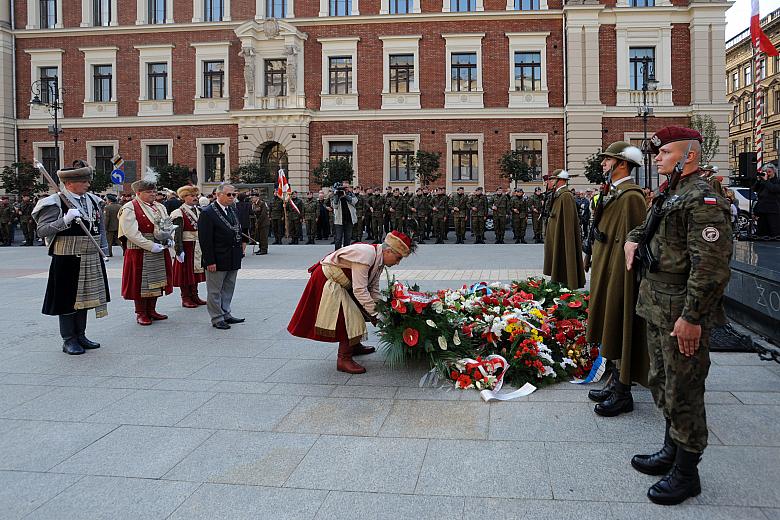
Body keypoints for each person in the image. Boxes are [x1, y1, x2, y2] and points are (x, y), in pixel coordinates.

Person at [625, 126, 732, 505]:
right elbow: (649, 227)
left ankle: (687, 473)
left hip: (680, 309)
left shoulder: (702, 198)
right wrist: (633, 237)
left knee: (685, 389)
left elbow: (710, 268)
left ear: (688, 155)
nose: (657, 158)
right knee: (661, 380)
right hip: (657, 303)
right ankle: (670, 450)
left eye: (664, 152)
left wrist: (693, 317)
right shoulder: (672, 193)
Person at [288, 230, 415, 374]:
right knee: (349, 316)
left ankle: (354, 345)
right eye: (398, 258)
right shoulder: (367, 255)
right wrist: (377, 315)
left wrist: (382, 310)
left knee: (360, 309)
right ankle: (343, 359)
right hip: (329, 281)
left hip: (346, 283)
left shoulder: (379, 259)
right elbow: (360, 291)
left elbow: (373, 288)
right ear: (388, 251)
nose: (398, 263)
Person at [584, 141, 649, 417]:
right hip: (606, 267)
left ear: (622, 164)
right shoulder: (615, 192)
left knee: (620, 324)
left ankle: (623, 391)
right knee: (608, 323)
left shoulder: (631, 196)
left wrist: (624, 276)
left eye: (607, 160)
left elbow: (634, 240)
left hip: (619, 273)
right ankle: (613, 379)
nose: (603, 164)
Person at [32, 164, 109, 355]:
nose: (88, 184)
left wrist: (104, 250)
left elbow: (100, 227)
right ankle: (68, 339)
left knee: (85, 299)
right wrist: (64, 221)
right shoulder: (54, 202)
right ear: (69, 183)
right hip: (67, 257)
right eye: (84, 181)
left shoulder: (93, 200)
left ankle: (81, 335)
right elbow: (42, 231)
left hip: (90, 255)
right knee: (67, 300)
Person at [119, 179, 174, 326]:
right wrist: (150, 245)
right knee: (141, 283)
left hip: (159, 247)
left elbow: (167, 224)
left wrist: (169, 238)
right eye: (148, 192)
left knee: (157, 280)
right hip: (140, 250)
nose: (153, 194)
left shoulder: (160, 206)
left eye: (154, 191)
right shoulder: (130, 207)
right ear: (138, 193)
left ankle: (151, 310)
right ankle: (141, 313)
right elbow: (131, 233)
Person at [198, 184, 245, 330]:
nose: (232, 197)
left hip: (232, 256)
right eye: (229, 194)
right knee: (215, 290)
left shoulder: (232, 210)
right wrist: (209, 260)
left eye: (234, 194)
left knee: (228, 288)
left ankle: (226, 313)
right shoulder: (208, 213)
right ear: (218, 195)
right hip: (217, 258)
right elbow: (205, 240)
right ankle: (217, 317)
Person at [542, 169, 586, 289]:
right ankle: (557, 278)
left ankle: (565, 281)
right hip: (556, 234)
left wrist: (566, 238)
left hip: (562, 236)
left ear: (560, 180)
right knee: (556, 257)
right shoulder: (557, 194)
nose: (549, 182)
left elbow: (568, 222)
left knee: (563, 256)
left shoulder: (565, 196)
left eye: (552, 179)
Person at [170, 185, 207, 309]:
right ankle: (185, 297)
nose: (195, 198)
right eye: (192, 196)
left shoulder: (199, 210)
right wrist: (178, 249)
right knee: (185, 272)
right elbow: (177, 233)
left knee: (195, 271)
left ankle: (194, 295)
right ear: (184, 197)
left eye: (196, 195)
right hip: (186, 245)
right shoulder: (178, 212)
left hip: (197, 244)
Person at [752, 163, 780, 238]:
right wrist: (758, 180)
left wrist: (766, 180)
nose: (767, 174)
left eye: (769, 172)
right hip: (762, 210)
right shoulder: (763, 182)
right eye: (766, 172)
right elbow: (754, 189)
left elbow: (773, 189)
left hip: (773, 210)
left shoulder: (777, 181)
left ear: (774, 172)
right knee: (761, 232)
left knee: (774, 232)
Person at [332, 181, 357, 250]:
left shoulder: (351, 194)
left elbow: (355, 201)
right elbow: (335, 206)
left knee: (348, 238)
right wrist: (337, 196)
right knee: (338, 238)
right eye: (343, 187)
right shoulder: (337, 194)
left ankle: (346, 253)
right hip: (339, 220)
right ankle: (337, 253)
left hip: (349, 219)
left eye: (346, 187)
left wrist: (345, 196)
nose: (345, 189)